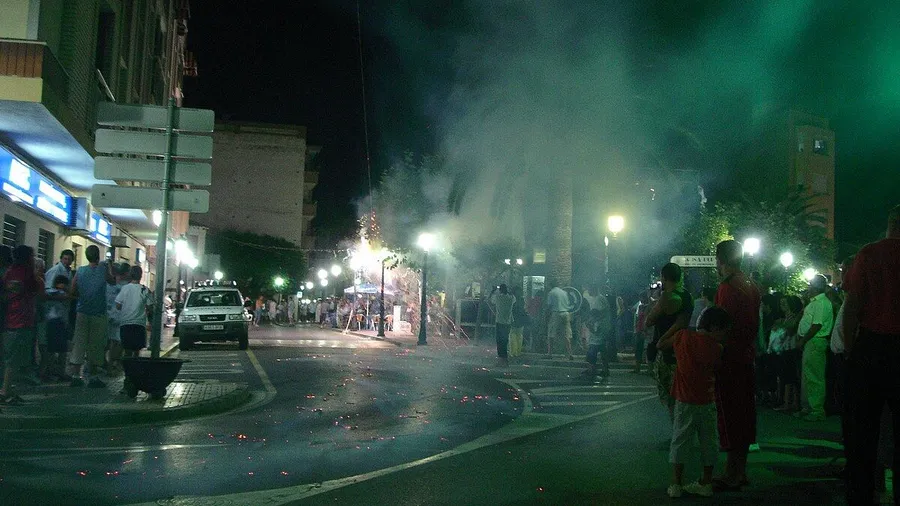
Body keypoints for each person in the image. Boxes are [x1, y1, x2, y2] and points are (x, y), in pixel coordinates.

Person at [842, 205, 900, 505]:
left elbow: (853, 305)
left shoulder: (870, 254)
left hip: (872, 346)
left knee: (862, 428)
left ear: (890, 223)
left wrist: (851, 348)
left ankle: (861, 492)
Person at [711, 239, 761, 490]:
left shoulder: (728, 288)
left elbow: (721, 326)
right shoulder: (751, 284)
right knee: (744, 415)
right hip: (747, 356)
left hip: (730, 358)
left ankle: (732, 473)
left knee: (730, 416)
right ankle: (741, 471)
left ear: (720, 260)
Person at [667, 306, 730, 498]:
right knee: (709, 442)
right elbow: (717, 367)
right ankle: (706, 482)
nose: (726, 335)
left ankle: (676, 484)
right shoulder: (717, 348)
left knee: (680, 440)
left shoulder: (683, 337)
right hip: (707, 400)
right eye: (724, 330)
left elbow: (663, 344)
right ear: (714, 327)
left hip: (685, 400)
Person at [649, 263, 694, 421]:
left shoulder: (666, 297)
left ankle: (677, 431)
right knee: (682, 395)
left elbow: (649, 320)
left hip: (667, 353)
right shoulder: (687, 296)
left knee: (670, 396)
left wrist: (655, 300)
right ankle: (682, 431)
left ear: (663, 277)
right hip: (683, 349)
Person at [68, 245, 115, 388]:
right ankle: (93, 377)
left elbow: (72, 289)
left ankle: (76, 376)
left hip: (82, 311)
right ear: (98, 256)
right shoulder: (103, 269)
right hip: (98, 313)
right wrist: (109, 266)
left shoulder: (80, 271)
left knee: (79, 343)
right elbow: (112, 281)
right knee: (96, 345)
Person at [0, 246, 42, 405]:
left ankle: (8, 390)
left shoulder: (10, 272)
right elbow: (34, 289)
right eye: (32, 256)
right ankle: (6, 392)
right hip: (19, 320)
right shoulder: (23, 272)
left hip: (16, 319)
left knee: (13, 359)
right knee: (13, 360)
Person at [794, 274, 833, 421]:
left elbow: (817, 325)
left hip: (815, 341)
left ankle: (816, 410)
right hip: (811, 342)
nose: (808, 287)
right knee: (807, 375)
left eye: (810, 284)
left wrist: (803, 340)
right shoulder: (815, 302)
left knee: (814, 376)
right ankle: (807, 407)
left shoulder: (821, 303)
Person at [773, 296, 804, 412]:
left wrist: (781, 326)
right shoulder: (787, 317)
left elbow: (790, 331)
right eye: (781, 303)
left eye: (785, 303)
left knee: (789, 377)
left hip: (791, 349)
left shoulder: (794, 317)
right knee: (789, 377)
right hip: (787, 348)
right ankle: (792, 403)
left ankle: (789, 404)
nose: (782, 305)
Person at [116, 266, 151, 358]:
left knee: (127, 349)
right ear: (141, 275)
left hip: (126, 323)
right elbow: (149, 306)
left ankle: (126, 368)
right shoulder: (144, 289)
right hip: (139, 324)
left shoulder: (125, 288)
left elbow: (118, 305)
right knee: (137, 350)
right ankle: (135, 369)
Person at [41, 275, 71, 382]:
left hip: (55, 323)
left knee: (55, 350)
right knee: (57, 350)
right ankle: (55, 372)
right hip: (56, 323)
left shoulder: (50, 292)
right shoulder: (54, 292)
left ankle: (53, 371)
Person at [105, 263, 130, 376]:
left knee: (112, 342)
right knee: (118, 342)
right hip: (119, 317)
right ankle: (113, 364)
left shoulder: (110, 286)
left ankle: (110, 365)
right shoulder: (124, 286)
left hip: (110, 315)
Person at [489, 284, 515, 367]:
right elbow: (514, 298)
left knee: (499, 342)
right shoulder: (511, 298)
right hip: (508, 322)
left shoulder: (498, 297)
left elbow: (490, 300)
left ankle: (501, 360)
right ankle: (505, 360)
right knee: (505, 341)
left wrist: (493, 291)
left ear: (500, 290)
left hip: (499, 321)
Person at [583, 307, 611, 379]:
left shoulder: (599, 323)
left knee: (591, 357)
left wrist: (589, 327)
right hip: (599, 342)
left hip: (596, 342)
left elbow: (596, 332)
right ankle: (604, 370)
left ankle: (592, 371)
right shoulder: (602, 321)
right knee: (602, 357)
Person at [545, 286, 572, 360]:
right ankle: (569, 353)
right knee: (566, 334)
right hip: (566, 313)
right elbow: (568, 304)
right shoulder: (564, 292)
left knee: (551, 333)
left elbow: (549, 305)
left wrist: (546, 316)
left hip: (556, 313)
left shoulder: (551, 293)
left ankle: (550, 353)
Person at [508, 287, 529, 360]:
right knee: (518, 336)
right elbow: (524, 309)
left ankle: (513, 352)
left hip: (515, 320)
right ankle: (517, 352)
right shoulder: (521, 300)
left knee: (514, 336)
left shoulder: (512, 299)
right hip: (519, 320)